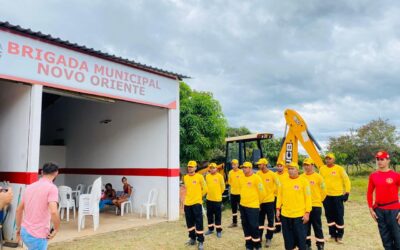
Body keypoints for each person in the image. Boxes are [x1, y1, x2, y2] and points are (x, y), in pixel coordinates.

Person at [15, 162, 60, 250]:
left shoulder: (29, 187)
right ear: (56, 173)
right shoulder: (52, 188)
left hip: (25, 232)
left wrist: (18, 229)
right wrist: (56, 229)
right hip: (38, 234)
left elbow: (18, 210)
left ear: (42, 172)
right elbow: (54, 211)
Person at [367, 151, 400, 250]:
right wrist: (371, 209)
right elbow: (369, 193)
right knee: (385, 238)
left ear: (388, 160)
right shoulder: (373, 176)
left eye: (382, 159)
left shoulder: (396, 175)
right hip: (379, 210)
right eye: (378, 159)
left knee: (397, 237)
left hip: (394, 210)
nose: (379, 161)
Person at [276, 162, 311, 250]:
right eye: (289, 169)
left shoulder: (304, 181)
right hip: (285, 215)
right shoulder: (283, 181)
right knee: (288, 239)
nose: (290, 171)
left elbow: (308, 198)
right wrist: (277, 209)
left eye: (292, 169)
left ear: (297, 170)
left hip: (299, 216)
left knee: (301, 239)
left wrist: (307, 213)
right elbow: (279, 196)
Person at [320, 153, 351, 244]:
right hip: (326, 196)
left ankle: (340, 236)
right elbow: (320, 182)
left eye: (330, 159)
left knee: (339, 216)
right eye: (326, 159)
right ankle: (332, 235)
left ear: (333, 160)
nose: (328, 160)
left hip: (337, 196)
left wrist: (347, 192)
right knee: (329, 216)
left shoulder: (339, 169)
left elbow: (346, 180)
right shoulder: (322, 169)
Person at [239, 161, 266, 250]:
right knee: (245, 225)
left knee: (254, 226)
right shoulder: (241, 178)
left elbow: (262, 193)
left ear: (250, 168)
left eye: (245, 167)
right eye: (243, 167)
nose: (244, 169)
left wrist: (258, 203)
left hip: (253, 206)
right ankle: (248, 245)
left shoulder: (256, 178)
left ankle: (257, 245)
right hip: (243, 205)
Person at [301, 158, 326, 250]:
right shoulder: (301, 177)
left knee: (317, 226)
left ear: (312, 165)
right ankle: (307, 244)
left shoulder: (318, 177)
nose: (306, 167)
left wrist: (318, 200)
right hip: (304, 207)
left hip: (315, 206)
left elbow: (324, 191)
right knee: (305, 227)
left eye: (308, 165)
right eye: (305, 165)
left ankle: (320, 245)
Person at [183, 160, 208, 250]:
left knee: (199, 222)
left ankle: (200, 241)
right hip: (187, 203)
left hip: (196, 203)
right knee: (189, 222)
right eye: (189, 166)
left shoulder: (200, 177)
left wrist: (199, 197)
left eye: (192, 166)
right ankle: (192, 238)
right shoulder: (185, 177)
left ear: (195, 168)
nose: (190, 168)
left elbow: (205, 189)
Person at [256, 158, 279, 248]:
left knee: (270, 220)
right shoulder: (257, 174)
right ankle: (259, 236)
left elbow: (278, 185)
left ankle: (269, 237)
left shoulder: (272, 174)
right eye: (258, 164)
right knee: (260, 220)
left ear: (265, 165)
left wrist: (273, 192)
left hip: (269, 201)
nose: (259, 166)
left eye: (260, 164)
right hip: (260, 201)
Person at [205, 163, 225, 238]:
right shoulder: (207, 176)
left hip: (217, 200)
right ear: (209, 169)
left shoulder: (220, 176)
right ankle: (210, 229)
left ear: (216, 168)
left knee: (218, 216)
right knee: (209, 215)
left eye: (213, 168)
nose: (212, 169)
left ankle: (218, 230)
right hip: (209, 199)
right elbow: (206, 186)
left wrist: (218, 194)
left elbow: (223, 187)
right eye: (211, 168)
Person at [228, 159, 243, 228]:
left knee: (242, 209)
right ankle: (234, 222)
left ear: (237, 165)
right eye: (232, 164)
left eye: (235, 164)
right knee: (234, 209)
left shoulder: (241, 172)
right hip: (233, 193)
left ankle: (243, 222)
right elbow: (230, 182)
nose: (233, 166)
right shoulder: (230, 172)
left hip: (240, 194)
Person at [274, 160, 288, 233]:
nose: (279, 167)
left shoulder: (287, 174)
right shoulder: (274, 175)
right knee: (276, 212)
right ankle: (278, 227)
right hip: (276, 196)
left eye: (281, 166)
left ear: (284, 167)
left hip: (285, 197)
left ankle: (286, 227)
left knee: (285, 212)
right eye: (278, 166)